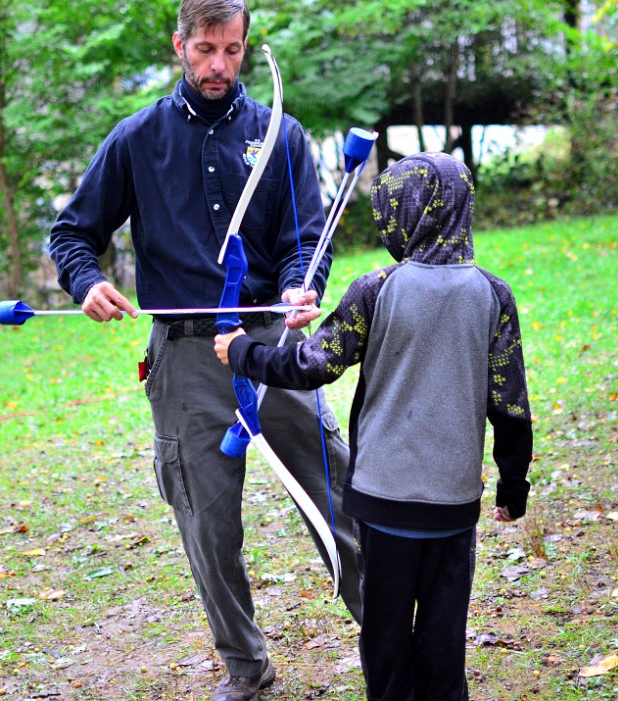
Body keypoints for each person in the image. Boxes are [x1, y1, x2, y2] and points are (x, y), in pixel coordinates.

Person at [47, 1, 363, 699]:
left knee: (337, 493)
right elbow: (72, 233)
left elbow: (307, 238)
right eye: (205, 50)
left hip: (272, 347)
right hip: (186, 358)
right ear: (180, 46)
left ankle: (391, 641)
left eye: (232, 50)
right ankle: (245, 665)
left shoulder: (280, 134)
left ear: (246, 48)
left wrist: (297, 286)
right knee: (206, 521)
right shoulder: (137, 139)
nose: (218, 65)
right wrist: (87, 281)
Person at [214, 152, 533, 701]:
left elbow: (311, 366)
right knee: (442, 633)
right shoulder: (493, 295)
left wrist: (242, 350)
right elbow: (510, 406)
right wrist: (513, 488)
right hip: (454, 503)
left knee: (385, 634)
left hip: (383, 501)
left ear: (402, 214)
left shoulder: (377, 288)